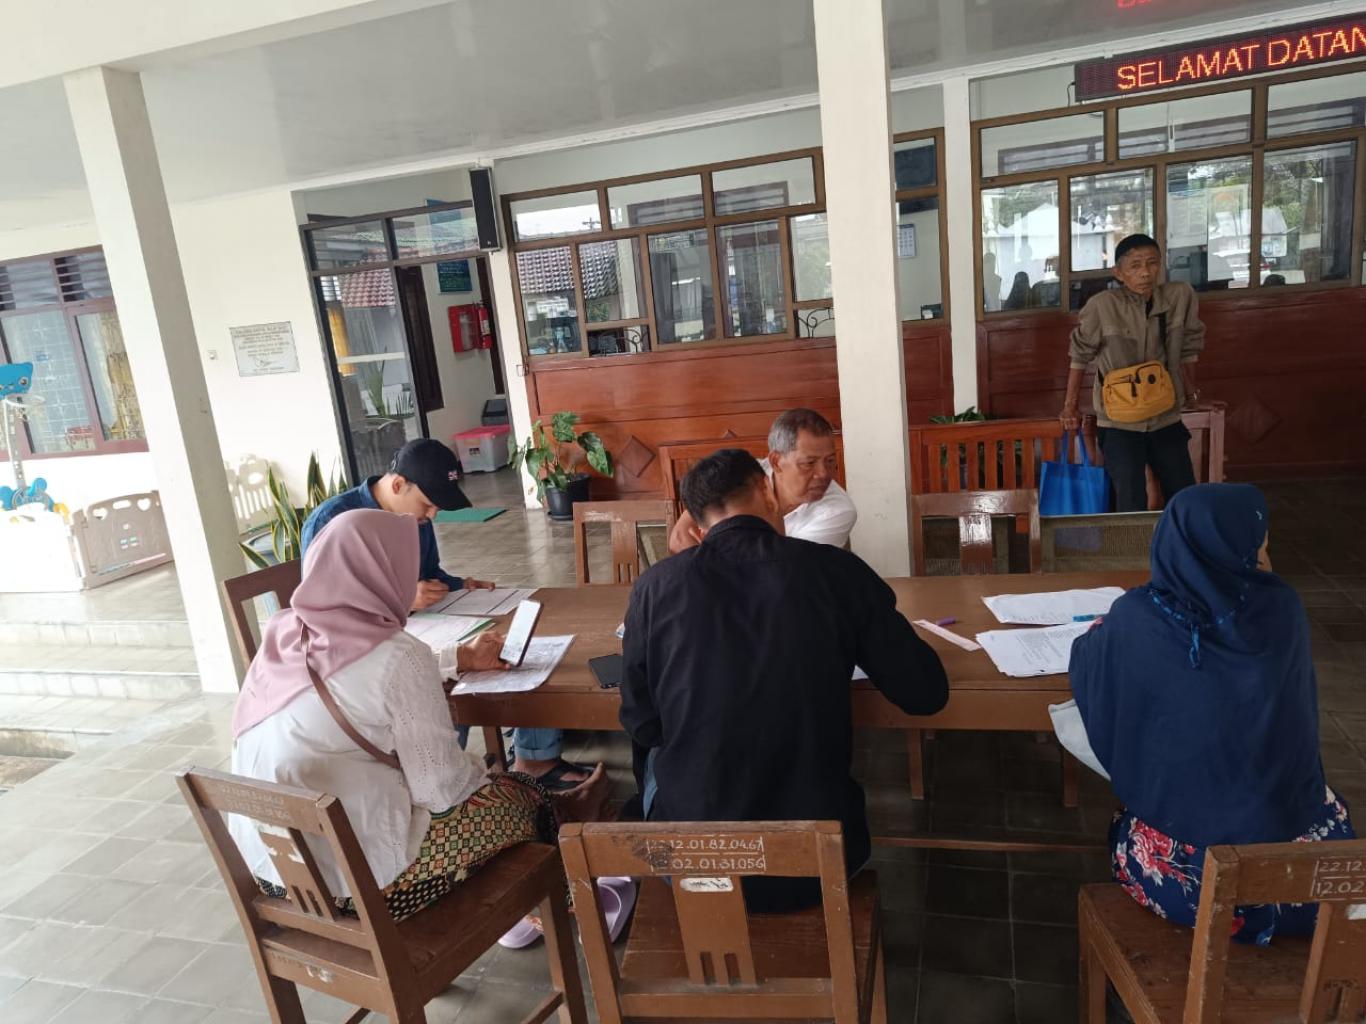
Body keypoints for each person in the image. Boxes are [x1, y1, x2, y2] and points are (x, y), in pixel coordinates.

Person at [229, 508, 607, 924]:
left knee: (499, 790)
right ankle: (562, 896)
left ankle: (552, 859)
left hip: (274, 872)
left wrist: (455, 659)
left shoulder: (284, 632)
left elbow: (352, 684)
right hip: (362, 891)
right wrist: (486, 773)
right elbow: (442, 793)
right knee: (521, 795)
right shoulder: (399, 656)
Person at [623, 449, 949, 911]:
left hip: (696, 866)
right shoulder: (837, 572)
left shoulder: (655, 586)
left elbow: (641, 723)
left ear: (695, 520)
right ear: (766, 491)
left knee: (657, 755)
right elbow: (925, 694)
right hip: (818, 863)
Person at [1069, 484, 1354, 945]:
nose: (1263, 557)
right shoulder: (1283, 609)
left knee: (1127, 824)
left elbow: (1087, 660)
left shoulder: (1139, 617)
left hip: (1195, 888)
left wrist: (1107, 629)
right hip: (1314, 881)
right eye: (1259, 546)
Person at [1062, 233, 1205, 513]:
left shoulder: (1179, 297)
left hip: (1165, 414)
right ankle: (1133, 543)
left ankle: (1179, 541)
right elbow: (1079, 355)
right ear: (1119, 273)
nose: (1145, 272)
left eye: (1152, 263)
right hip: (1118, 421)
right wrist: (1069, 406)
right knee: (1130, 499)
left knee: (1183, 493)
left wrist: (1191, 392)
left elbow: (1188, 348)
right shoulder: (1103, 305)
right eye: (1135, 265)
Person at [301, 439, 494, 610]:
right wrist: (401, 601)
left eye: (438, 507)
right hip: (359, 638)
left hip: (418, 628)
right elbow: (321, 604)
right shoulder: (331, 520)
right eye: (427, 504)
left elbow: (428, 576)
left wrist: (460, 587)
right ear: (398, 485)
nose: (432, 515)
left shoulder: (417, 519)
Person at [667, 408, 857, 553]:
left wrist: (710, 558)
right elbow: (680, 537)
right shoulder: (740, 474)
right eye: (809, 463)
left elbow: (786, 570)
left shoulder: (837, 511)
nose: (823, 474)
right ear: (776, 461)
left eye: (830, 461)